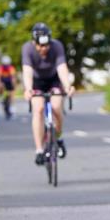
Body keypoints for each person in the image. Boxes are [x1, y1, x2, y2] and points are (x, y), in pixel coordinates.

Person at [22, 22, 75, 165]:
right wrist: (28, 89)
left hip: (53, 80)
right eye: (40, 46)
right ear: (34, 43)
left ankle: (59, 137)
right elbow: (27, 71)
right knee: (38, 109)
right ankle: (39, 149)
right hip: (37, 81)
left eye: (46, 45)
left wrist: (67, 86)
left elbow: (62, 67)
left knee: (56, 107)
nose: (44, 49)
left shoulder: (57, 46)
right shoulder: (27, 49)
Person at [0, 54, 17, 119]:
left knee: (12, 93)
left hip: (9, 82)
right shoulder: (0, 68)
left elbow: (13, 77)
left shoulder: (11, 68)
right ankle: (1, 96)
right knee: (1, 86)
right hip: (3, 82)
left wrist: (14, 85)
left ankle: (12, 106)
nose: (6, 65)